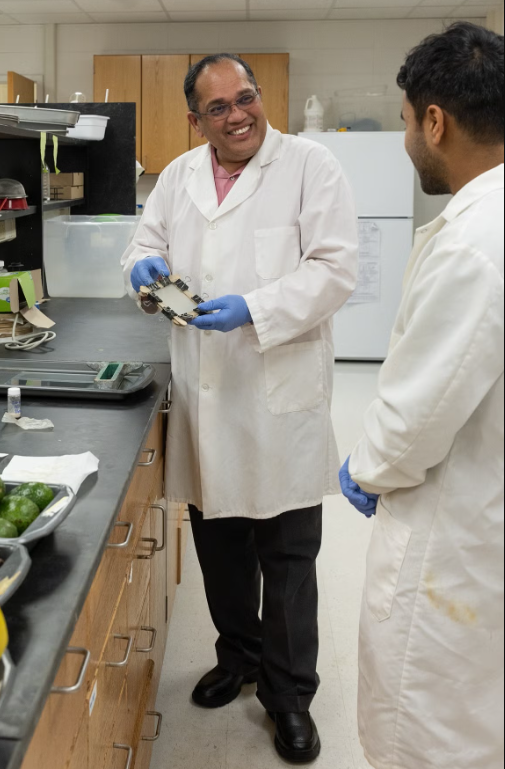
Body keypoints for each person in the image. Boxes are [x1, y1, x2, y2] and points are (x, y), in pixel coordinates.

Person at [121, 54, 358, 762]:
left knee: (286, 556)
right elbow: (145, 242)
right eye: (218, 107)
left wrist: (254, 307)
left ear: (261, 98)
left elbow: (336, 267)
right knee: (218, 545)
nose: (237, 115)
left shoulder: (310, 166)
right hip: (203, 391)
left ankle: (289, 696)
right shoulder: (178, 175)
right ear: (196, 119)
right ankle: (239, 656)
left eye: (245, 98)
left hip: (275, 386)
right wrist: (138, 266)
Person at [340, 22, 504, 769]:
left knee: (433, 735)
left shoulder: (473, 242)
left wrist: (367, 468)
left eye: (406, 121)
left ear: (433, 121)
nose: (407, 137)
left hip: (460, 537)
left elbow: (416, 421)